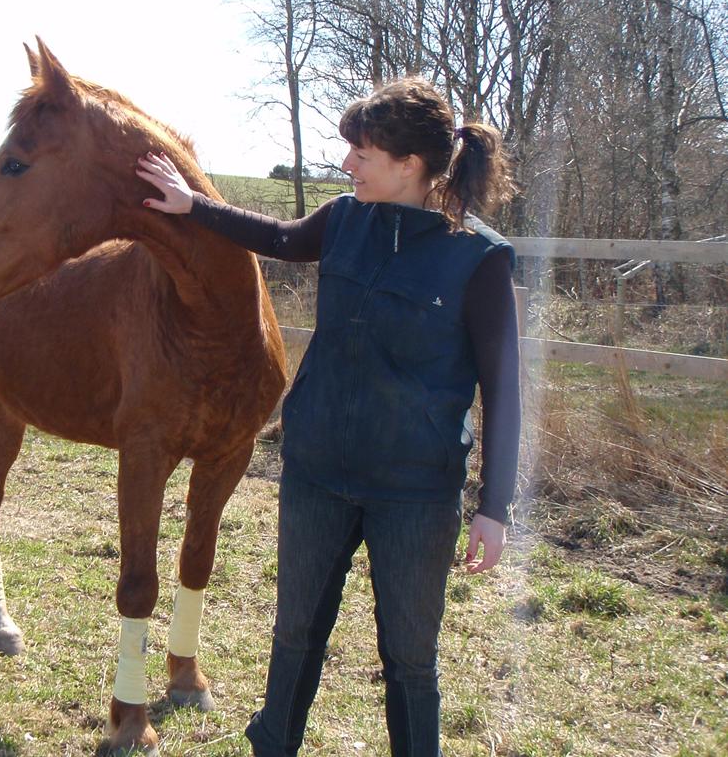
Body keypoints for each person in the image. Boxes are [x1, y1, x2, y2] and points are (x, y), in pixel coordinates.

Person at [135, 77, 521, 757]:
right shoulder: (345, 218)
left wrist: (495, 505)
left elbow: (503, 386)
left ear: (409, 165)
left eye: (361, 153)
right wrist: (191, 205)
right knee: (295, 635)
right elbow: (278, 237)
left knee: (408, 658)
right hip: (317, 472)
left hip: (416, 493)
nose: (346, 165)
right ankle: (273, 745)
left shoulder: (479, 258)